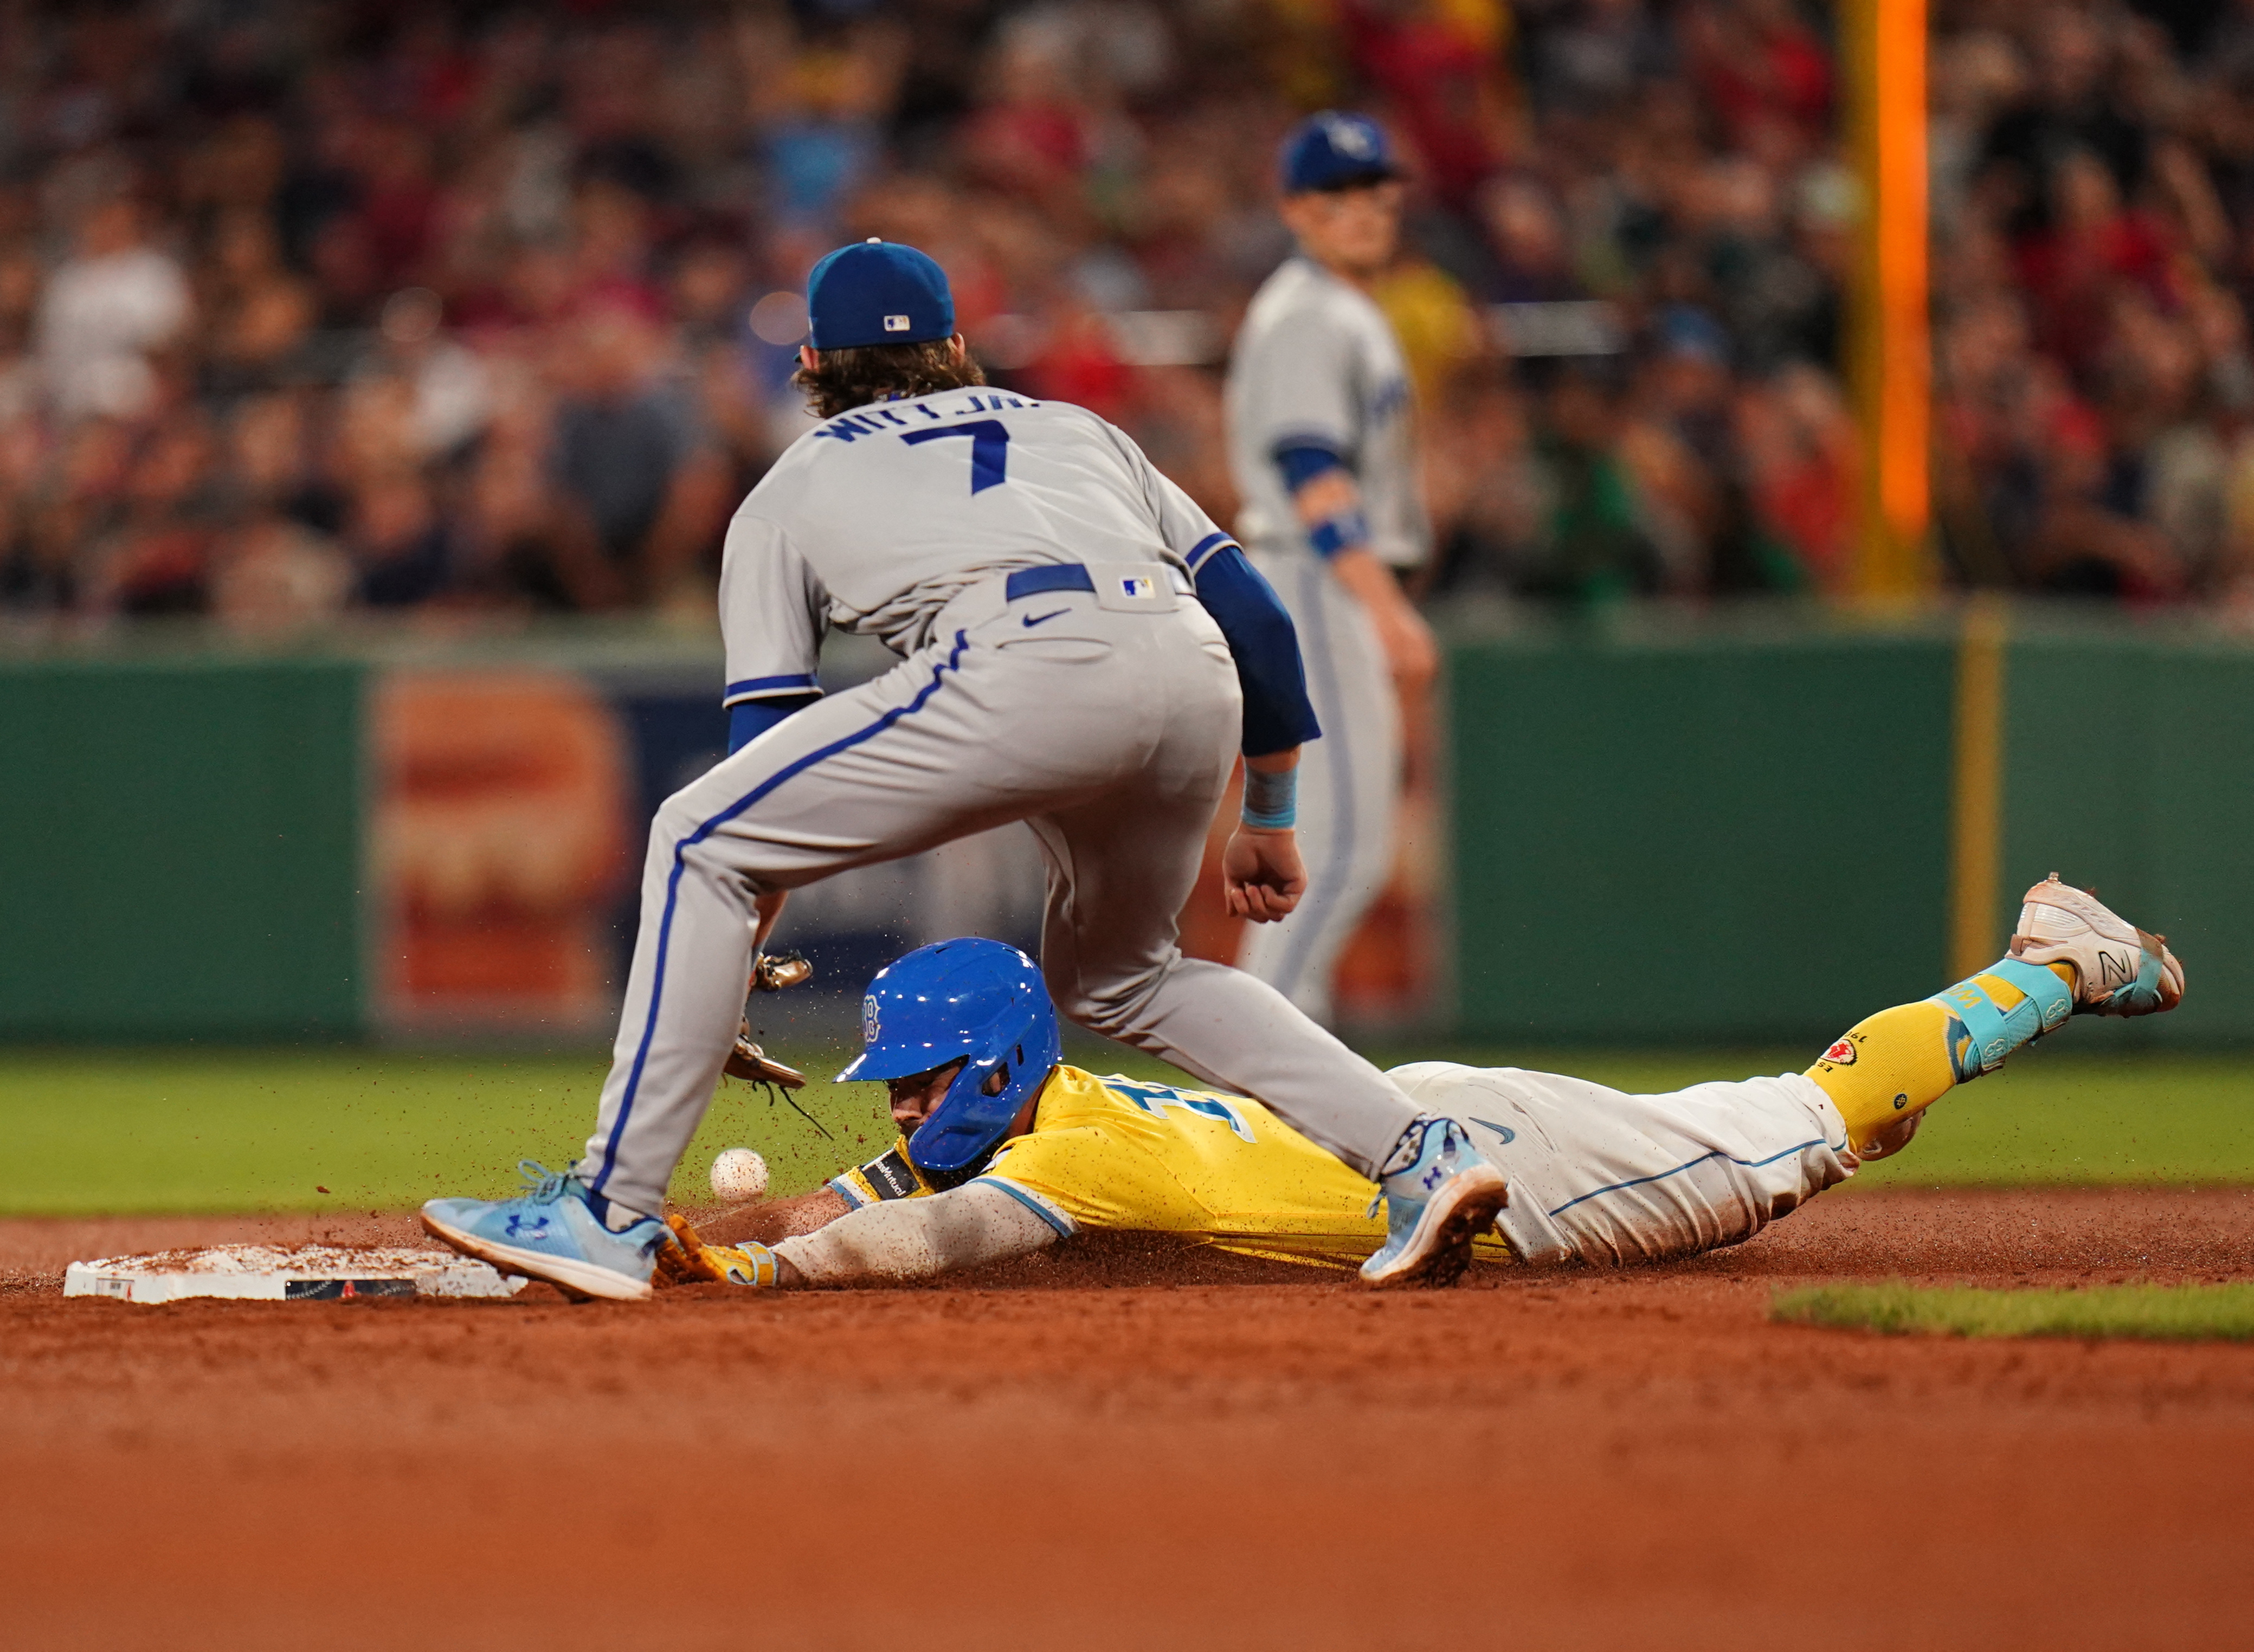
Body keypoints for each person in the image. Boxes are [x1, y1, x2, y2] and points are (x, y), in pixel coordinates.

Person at [420, 239, 1508, 1301]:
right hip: (1192, 668)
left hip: (1020, 658)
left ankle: (607, 1215)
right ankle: (1419, 1153)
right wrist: (1268, 809)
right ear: (954, 348)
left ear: (809, 367)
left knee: (695, 836)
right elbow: (1260, 623)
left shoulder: (791, 486)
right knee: (1127, 974)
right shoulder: (1082, 432)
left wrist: (737, 940)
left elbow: (763, 768)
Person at [652, 875, 2183, 1290]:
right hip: (1412, 1123)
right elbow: (841, 1201)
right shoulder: (1025, 1122)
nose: (901, 1113)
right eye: (897, 1093)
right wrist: (706, 1236)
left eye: (920, 1088)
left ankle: (2056, 960)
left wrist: (759, 1288)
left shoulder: (1060, 1165)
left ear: (990, 1071)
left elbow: (910, 1241)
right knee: (1832, 1125)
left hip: (1513, 1172)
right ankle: (2021, 984)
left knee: (1825, 1115)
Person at [1223, 112, 1439, 1025]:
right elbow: (1309, 472)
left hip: (1314, 581)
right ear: (1296, 208)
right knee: (1344, 842)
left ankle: (1264, 1060)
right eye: (1336, 194)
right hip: (1314, 578)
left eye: (1372, 189)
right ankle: (1254, 1066)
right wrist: (1383, 605)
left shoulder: (1341, 309)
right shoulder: (1308, 313)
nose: (1361, 208)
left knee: (1331, 844)